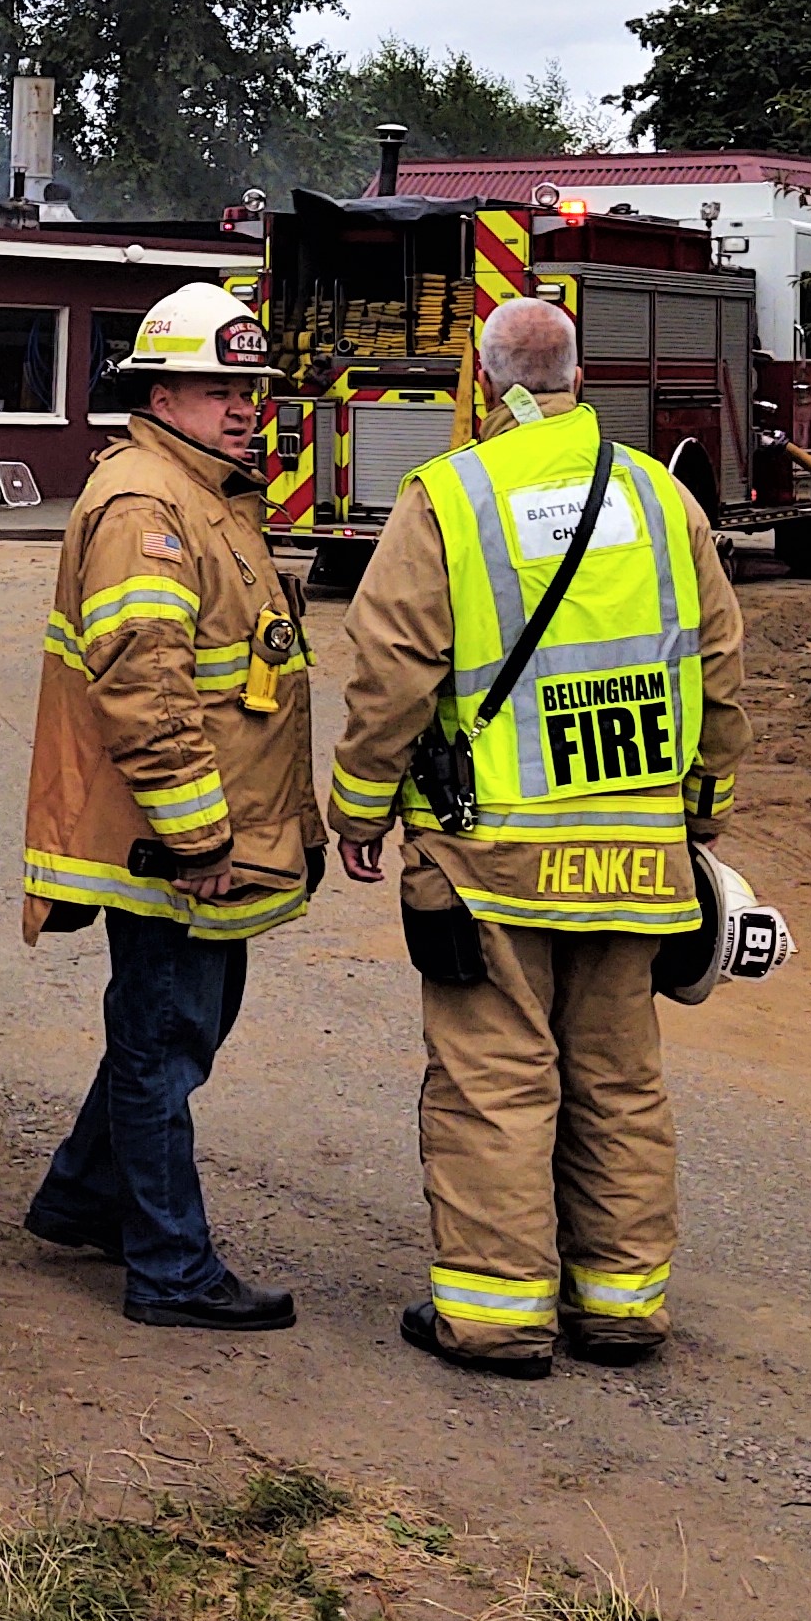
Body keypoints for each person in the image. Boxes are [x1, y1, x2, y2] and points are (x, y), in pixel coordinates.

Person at [321, 297, 747, 1378]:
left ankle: (499, 1317)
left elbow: (391, 672)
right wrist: (705, 804)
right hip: (637, 853)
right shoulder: (658, 496)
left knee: (495, 1078)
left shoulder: (450, 498)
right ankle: (619, 1306)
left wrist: (360, 805)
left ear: (482, 379)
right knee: (617, 1078)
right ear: (576, 374)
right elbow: (718, 661)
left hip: (491, 856)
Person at [18, 281, 317, 1331]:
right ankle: (170, 1269)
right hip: (168, 839)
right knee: (161, 1039)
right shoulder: (148, 505)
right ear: (158, 391)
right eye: (214, 386)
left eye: (250, 387)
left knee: (175, 1027)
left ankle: (84, 1196)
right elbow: (144, 683)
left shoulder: (202, 491)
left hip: (196, 831)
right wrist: (196, 832)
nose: (243, 405)